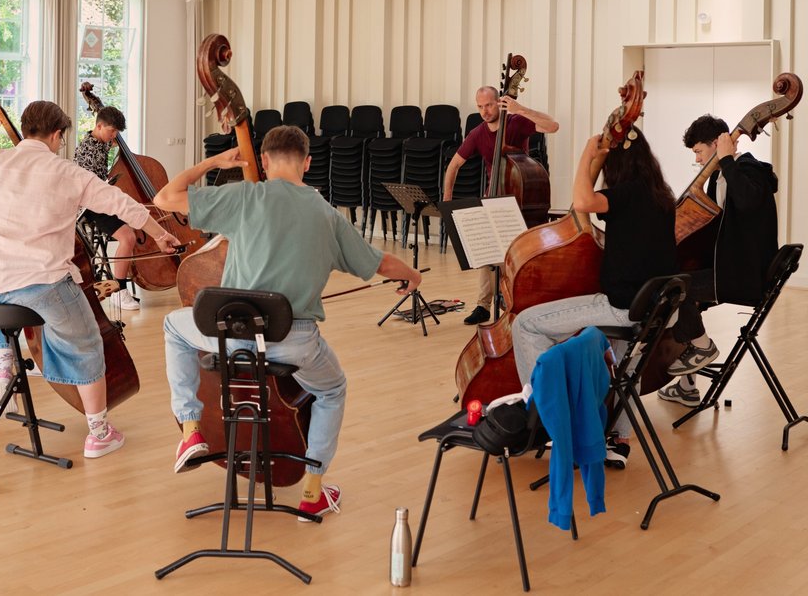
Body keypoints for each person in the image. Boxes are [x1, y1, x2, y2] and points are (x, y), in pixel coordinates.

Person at [153, 125, 421, 520]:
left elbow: (164, 197)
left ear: (263, 161)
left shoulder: (245, 197)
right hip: (292, 342)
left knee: (173, 327)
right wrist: (412, 275)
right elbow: (379, 262)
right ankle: (312, 490)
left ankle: (191, 429)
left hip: (231, 336)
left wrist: (214, 161)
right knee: (332, 390)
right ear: (308, 163)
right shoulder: (327, 215)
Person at [0, 100, 181, 458]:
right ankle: (99, 433)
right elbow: (123, 205)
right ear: (56, 134)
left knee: (1, 292)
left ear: (25, 128)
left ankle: (4, 364)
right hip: (38, 285)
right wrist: (160, 234)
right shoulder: (68, 173)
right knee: (87, 343)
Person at [512, 129, 677, 469]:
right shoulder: (661, 196)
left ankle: (552, 423)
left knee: (526, 324)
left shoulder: (626, 193)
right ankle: (618, 438)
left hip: (621, 307)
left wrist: (589, 155)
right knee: (626, 361)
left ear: (617, 165)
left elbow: (581, 204)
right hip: (650, 309)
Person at [658, 114, 779, 407]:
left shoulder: (750, 171)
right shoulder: (718, 178)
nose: (698, 160)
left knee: (676, 287)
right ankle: (688, 386)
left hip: (744, 275)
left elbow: (747, 201)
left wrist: (726, 159)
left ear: (717, 143)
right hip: (729, 268)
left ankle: (702, 347)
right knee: (679, 285)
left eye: (699, 151)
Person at [443, 85, 559, 326]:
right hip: (493, 197)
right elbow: (454, 165)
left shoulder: (516, 122)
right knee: (486, 250)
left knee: (515, 254)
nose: (484, 111)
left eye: (488, 105)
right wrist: (447, 198)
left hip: (518, 200)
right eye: (480, 107)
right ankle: (483, 306)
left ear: (499, 102)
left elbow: (552, 126)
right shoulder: (478, 133)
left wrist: (521, 109)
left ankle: (514, 301)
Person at [73, 105, 140, 310]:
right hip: (90, 206)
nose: (114, 136)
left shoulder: (101, 142)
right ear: (99, 126)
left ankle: (122, 285)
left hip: (100, 201)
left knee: (131, 230)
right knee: (128, 237)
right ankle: (119, 292)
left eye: (117, 132)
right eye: (112, 131)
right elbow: (89, 189)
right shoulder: (88, 149)